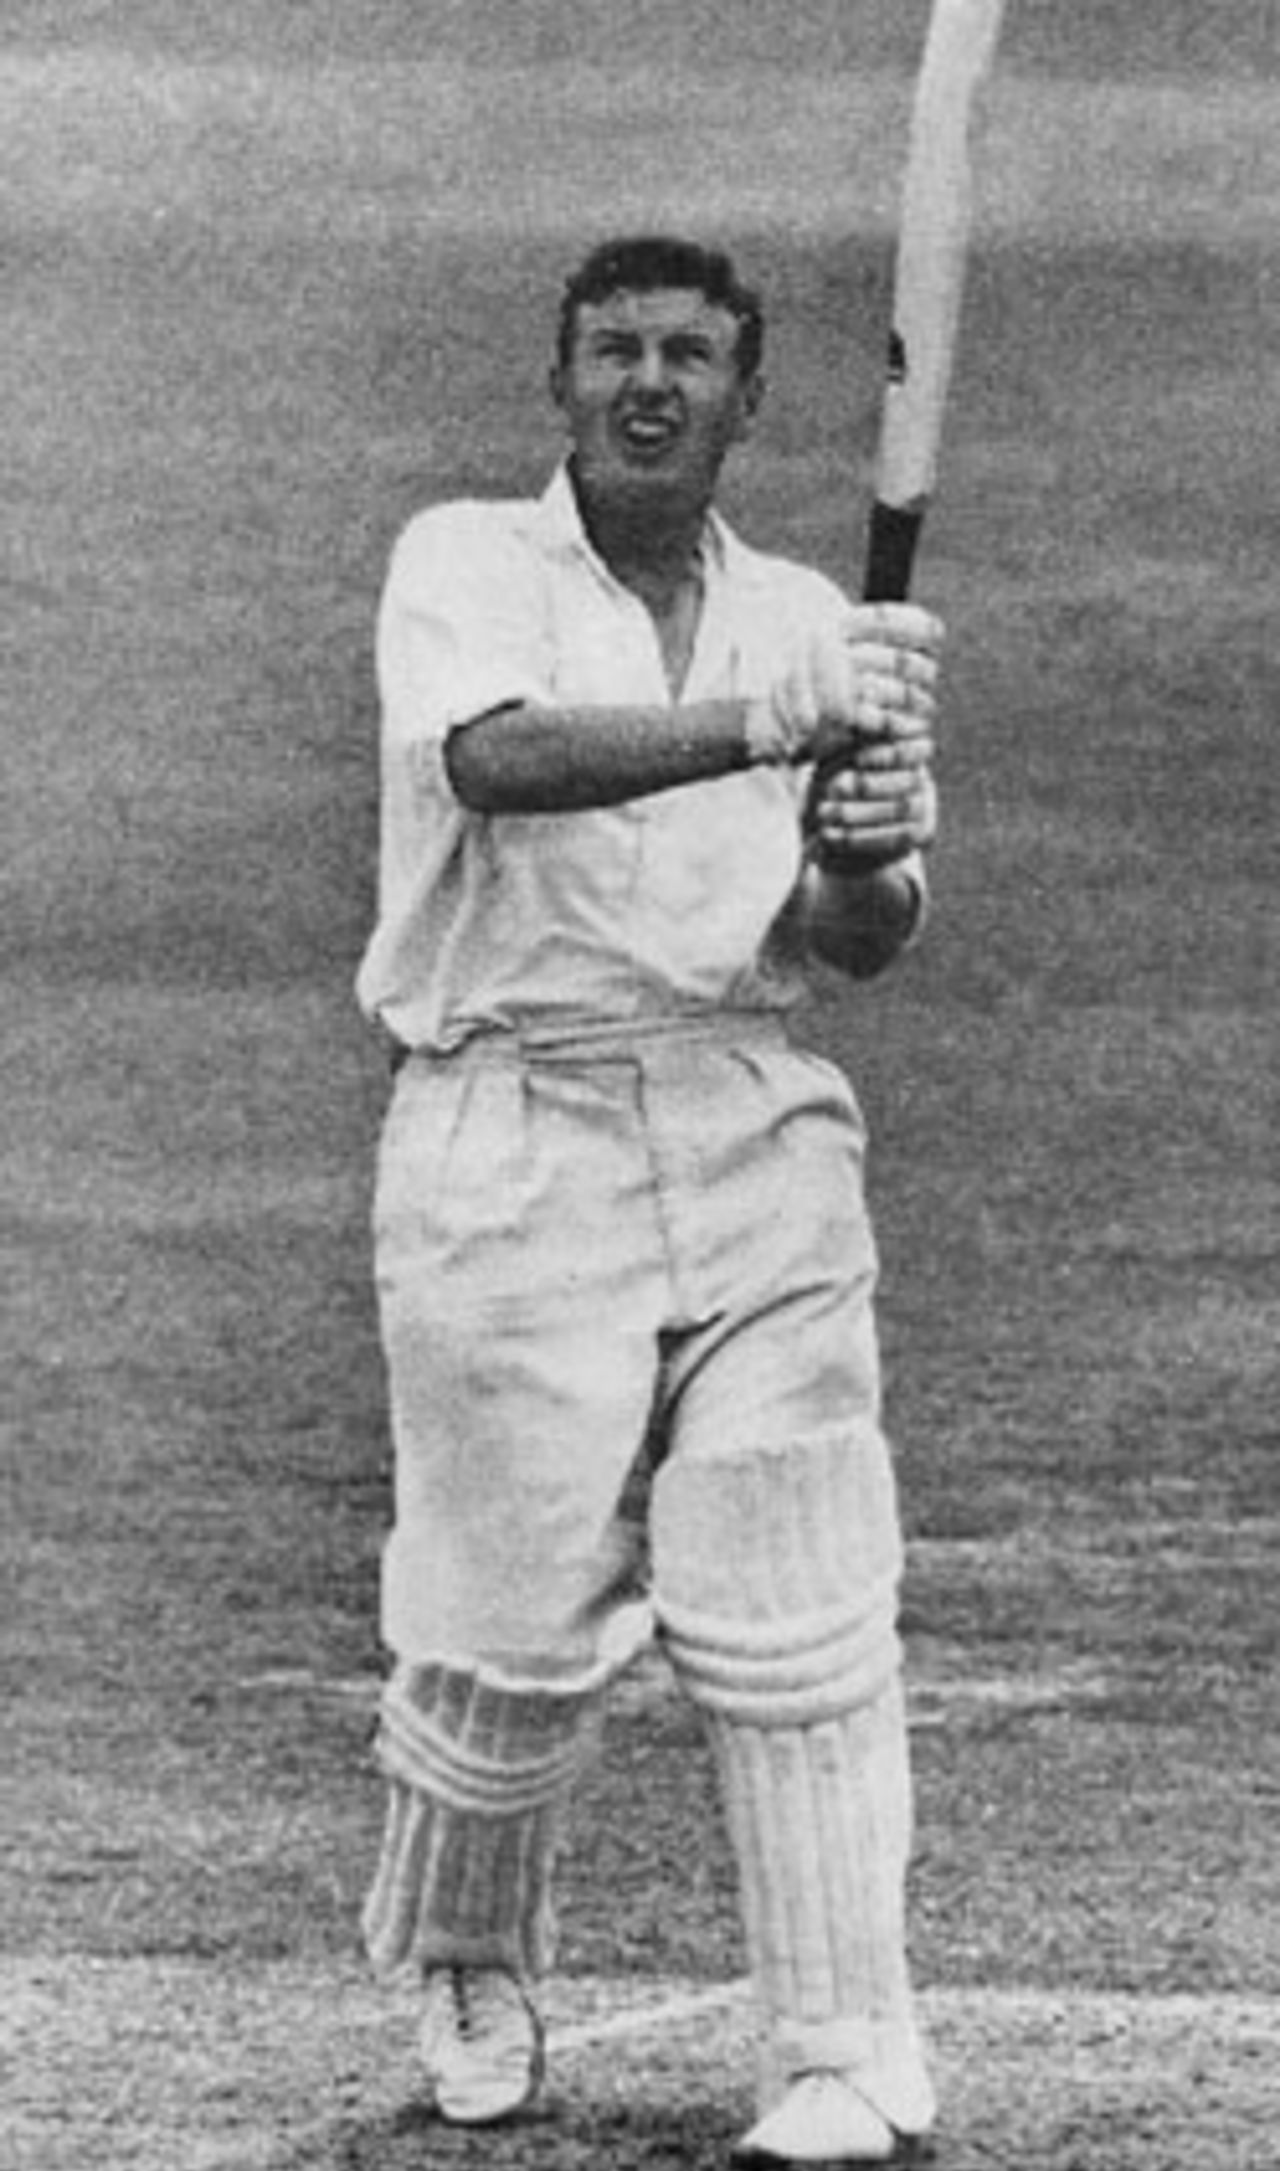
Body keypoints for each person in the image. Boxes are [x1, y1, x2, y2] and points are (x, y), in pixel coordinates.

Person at [355, 233, 944, 2169]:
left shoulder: (792, 612)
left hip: (754, 1118)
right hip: (508, 1133)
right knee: (505, 1635)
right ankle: (464, 1951)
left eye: (690, 355)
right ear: (562, 385)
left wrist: (863, 842)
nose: (648, 383)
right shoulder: (466, 565)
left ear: (750, 398)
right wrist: (782, 722)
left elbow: (849, 944)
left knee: (798, 1593)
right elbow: (500, 760)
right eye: (612, 350)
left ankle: (846, 2054)